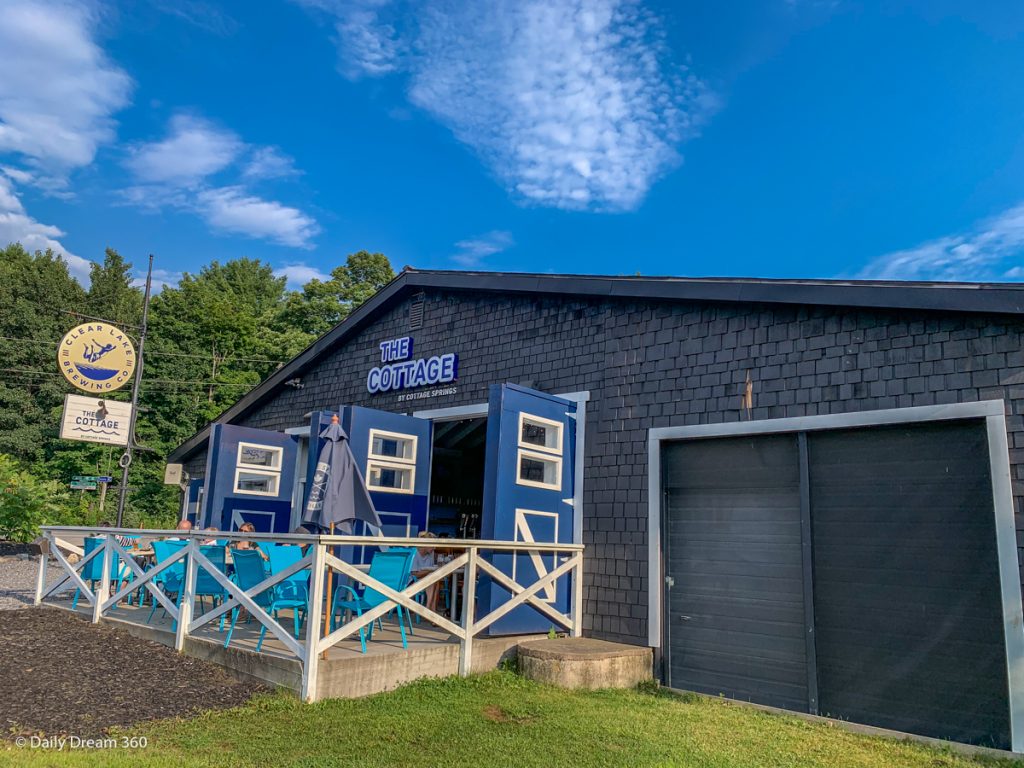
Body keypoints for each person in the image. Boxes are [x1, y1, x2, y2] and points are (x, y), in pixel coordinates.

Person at [411, 531, 440, 613]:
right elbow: (414, 575)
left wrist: (431, 571)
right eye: (433, 545)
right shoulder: (414, 553)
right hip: (411, 582)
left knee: (435, 579)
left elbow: (429, 570)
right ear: (426, 544)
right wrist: (431, 570)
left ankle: (430, 608)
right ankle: (430, 610)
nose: (435, 548)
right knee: (433, 578)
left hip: (425, 580)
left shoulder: (430, 553)